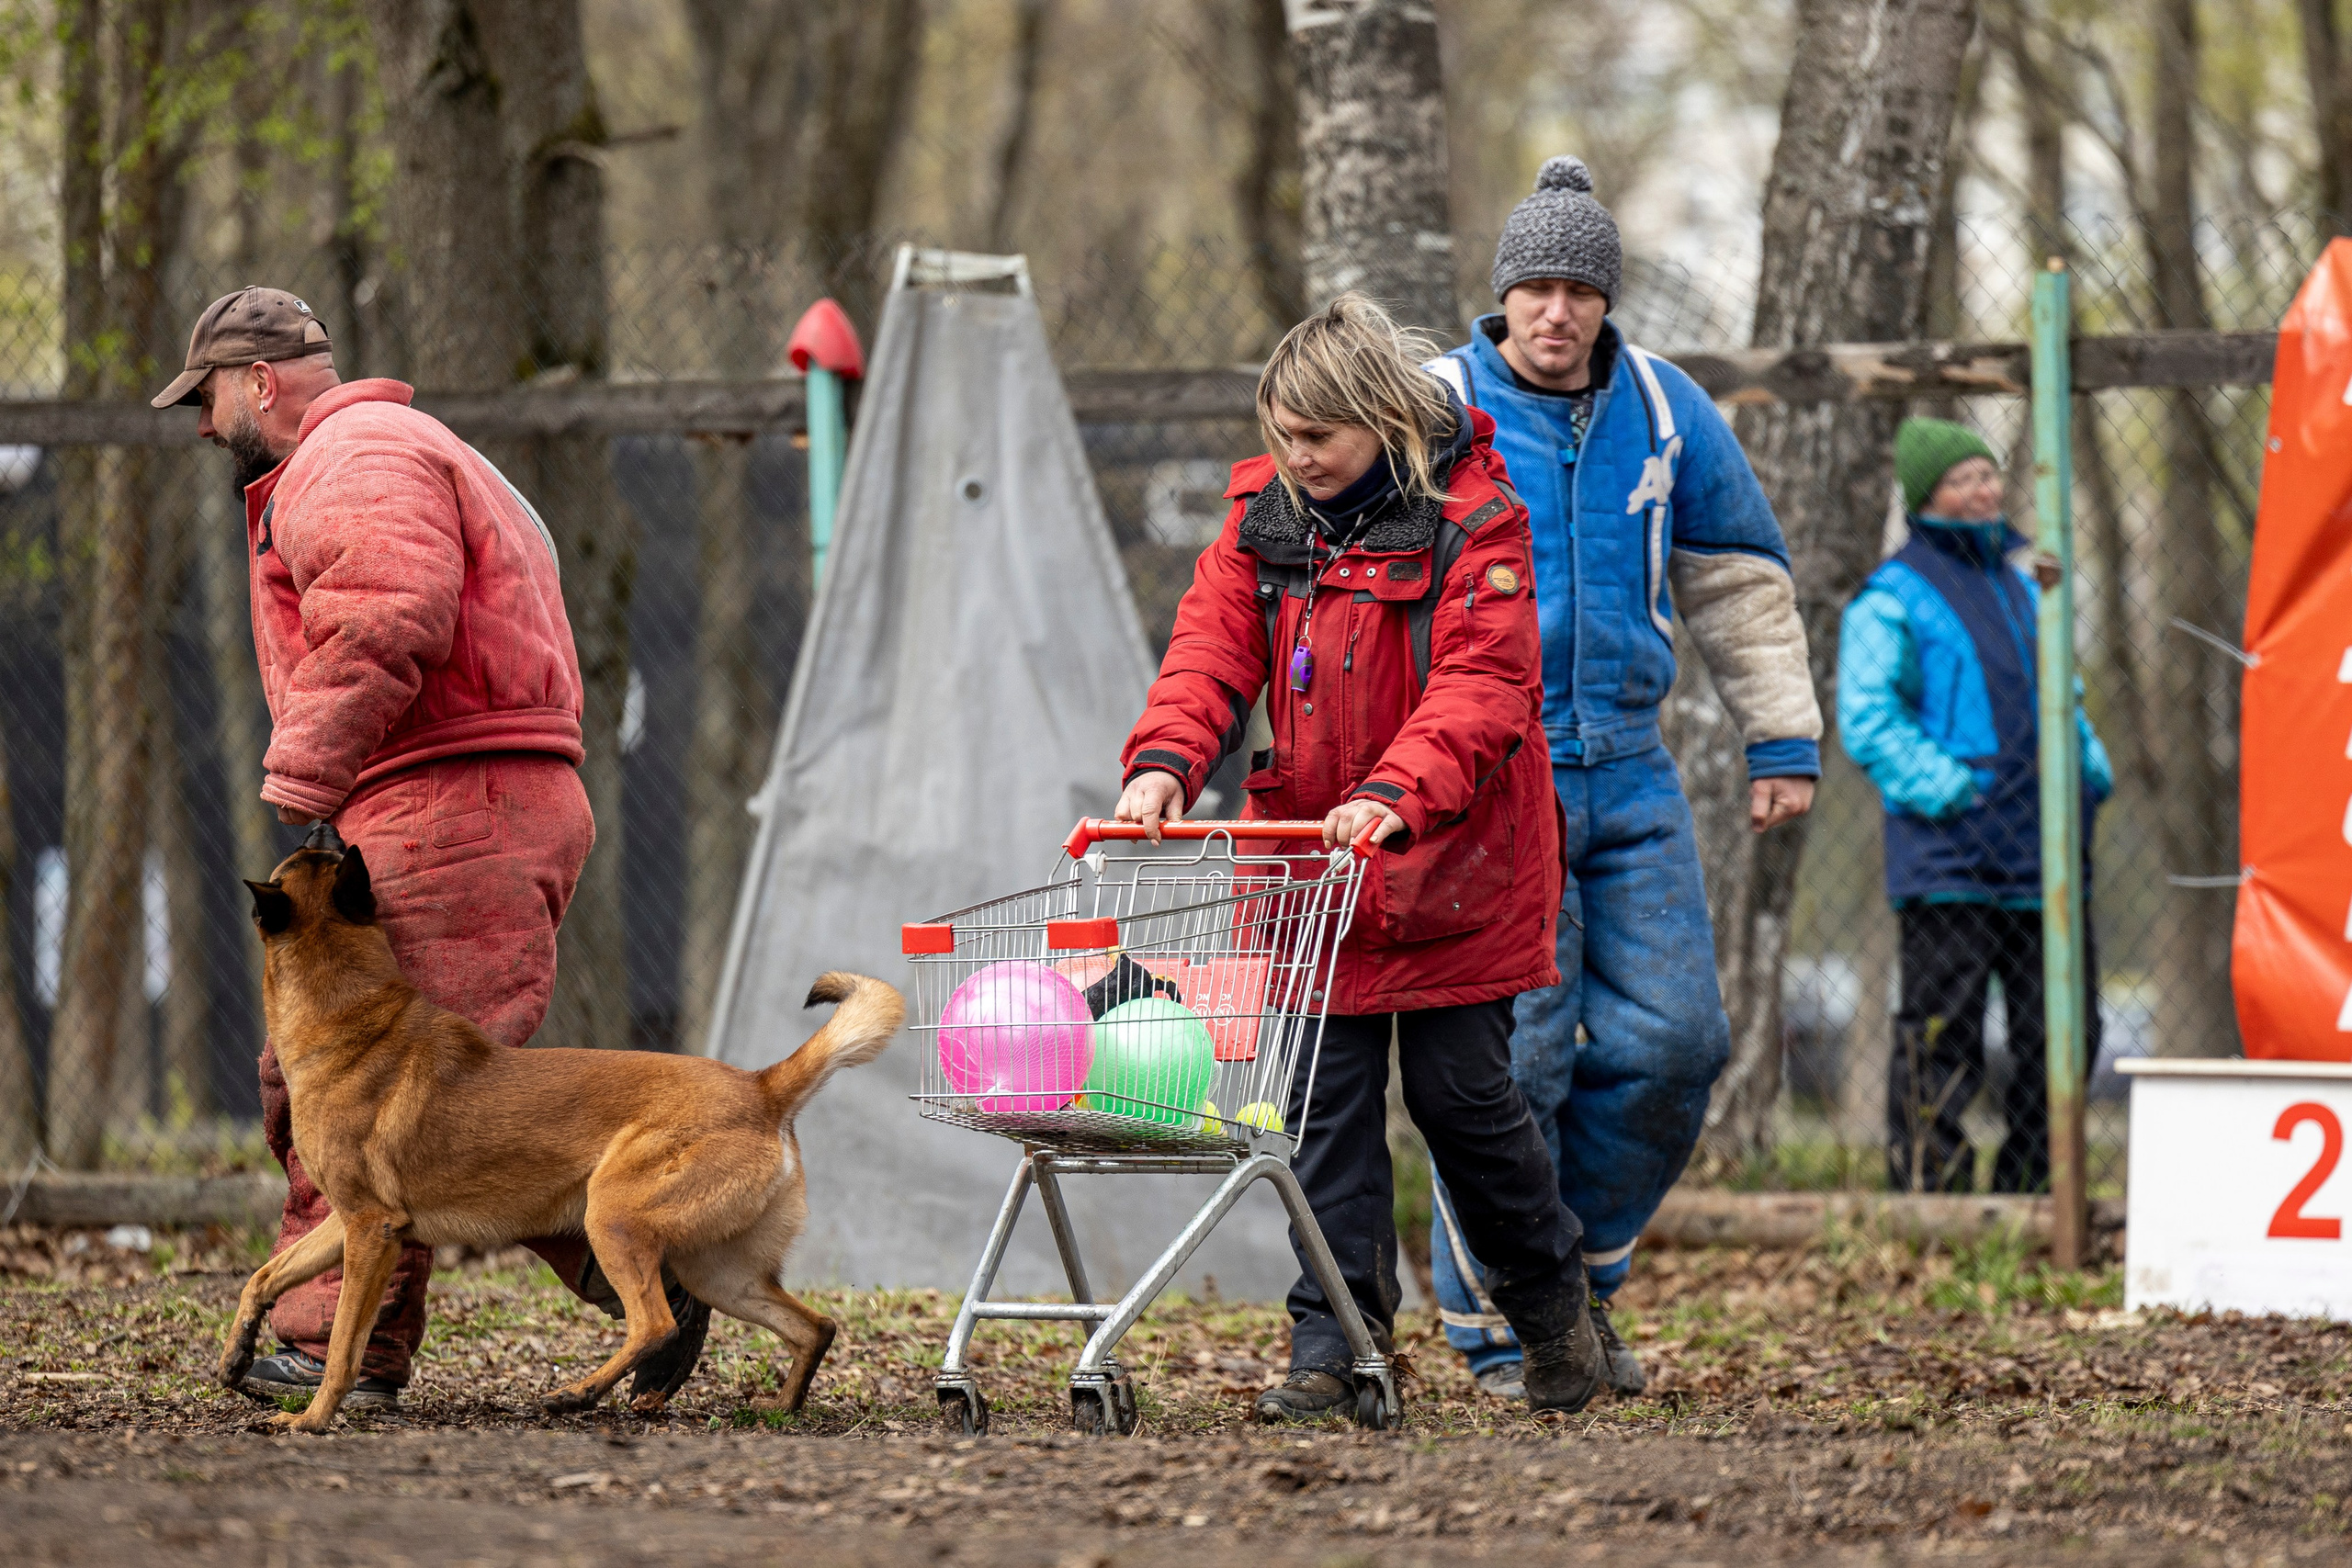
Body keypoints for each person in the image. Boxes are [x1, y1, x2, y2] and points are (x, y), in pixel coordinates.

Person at [151, 288, 710, 1407]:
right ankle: (650, 1268)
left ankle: (327, 1351)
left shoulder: (352, 453)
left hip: (451, 802)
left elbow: (389, 609)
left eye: (208, 398)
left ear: (260, 382)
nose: (205, 426)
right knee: (406, 1108)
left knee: (354, 1102)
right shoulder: (399, 446)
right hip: (470, 796)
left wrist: (301, 774)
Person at [1114, 294, 1605, 1420]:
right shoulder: (1259, 521)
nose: (1295, 458)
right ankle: (1333, 1344)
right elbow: (1207, 655)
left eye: (1316, 439)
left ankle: (1550, 1307)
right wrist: (1166, 765)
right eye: (1280, 434)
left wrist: (1393, 793)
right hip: (1307, 878)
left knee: (1462, 1101)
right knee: (1318, 1112)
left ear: (1381, 423)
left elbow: (1486, 688)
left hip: (1452, 866)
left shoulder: (1478, 526)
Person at [1421, 156, 1823, 1401]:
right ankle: (1497, 1316)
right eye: (1533, 287)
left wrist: (1780, 736)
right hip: (1493, 771)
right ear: (1504, 296)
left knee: (1679, 1041)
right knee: (1521, 1058)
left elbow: (1737, 575)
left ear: (1605, 300)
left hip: (1632, 767)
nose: (1555, 311)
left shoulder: (1664, 405)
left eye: (1578, 290)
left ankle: (1576, 1276)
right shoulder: (1433, 407)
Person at [1838, 417, 2111, 1194]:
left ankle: (2032, 1184)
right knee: (1942, 1026)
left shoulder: (2028, 587)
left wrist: (2088, 767)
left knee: (2062, 1027)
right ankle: (1933, 1187)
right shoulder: (1891, 597)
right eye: (1961, 480)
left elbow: (2068, 693)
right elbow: (1869, 717)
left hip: (2047, 848)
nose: (1983, 490)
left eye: (1987, 475)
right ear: (1927, 496)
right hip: (1950, 853)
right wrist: (1951, 787)